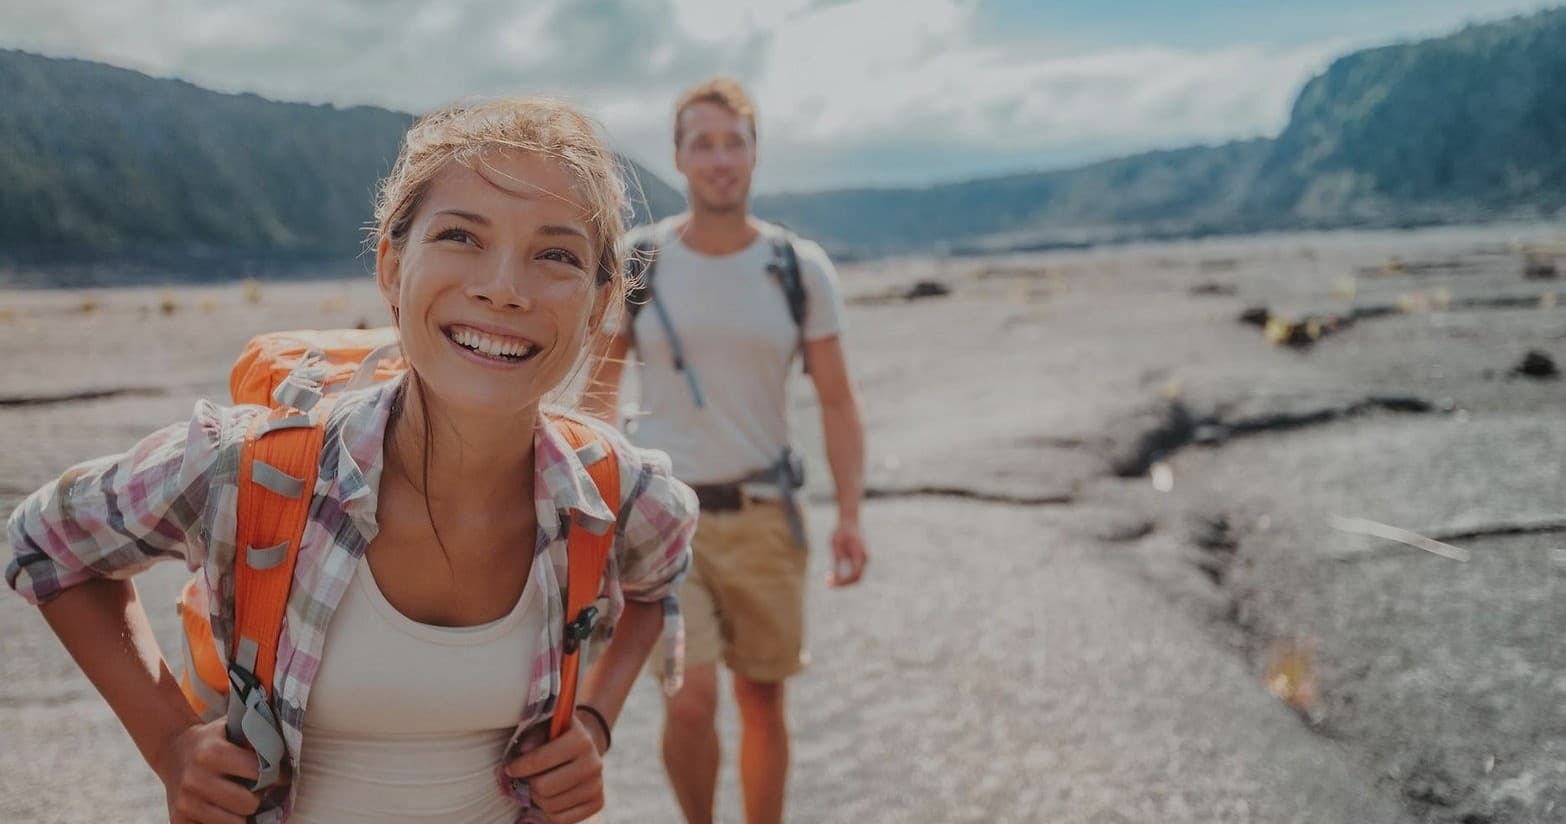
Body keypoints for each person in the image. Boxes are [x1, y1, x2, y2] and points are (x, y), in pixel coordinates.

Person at [5, 97, 696, 824]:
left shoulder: (614, 488)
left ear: (598, 306)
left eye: (556, 254)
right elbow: (49, 542)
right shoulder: (248, 468)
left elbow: (663, 569)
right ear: (393, 269)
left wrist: (595, 721)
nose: (503, 288)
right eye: (462, 235)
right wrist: (171, 745)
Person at [584, 77, 868, 824]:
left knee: (763, 701)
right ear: (678, 157)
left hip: (768, 514)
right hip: (665, 525)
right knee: (690, 701)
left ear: (754, 154)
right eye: (701, 143)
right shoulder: (642, 260)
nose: (718, 159)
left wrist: (849, 515)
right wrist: (592, 504)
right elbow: (598, 395)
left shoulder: (797, 268)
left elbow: (837, 400)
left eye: (732, 142)